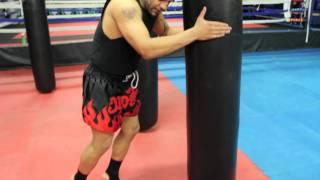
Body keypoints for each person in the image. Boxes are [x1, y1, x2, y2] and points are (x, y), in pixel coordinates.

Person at [74, 0, 232, 179]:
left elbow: (166, 32)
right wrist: (194, 33)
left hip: (127, 79)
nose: (165, 6)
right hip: (103, 82)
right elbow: (146, 48)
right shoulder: (125, 7)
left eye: (170, 1)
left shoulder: (152, 7)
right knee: (101, 143)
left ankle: (111, 174)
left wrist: (204, 33)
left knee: (131, 128)